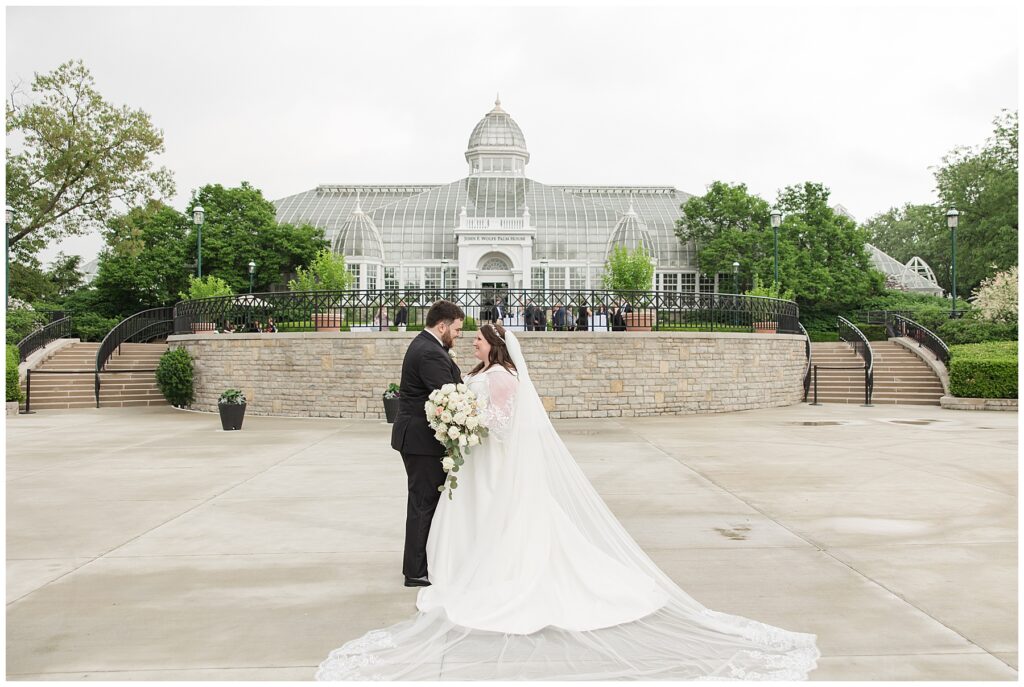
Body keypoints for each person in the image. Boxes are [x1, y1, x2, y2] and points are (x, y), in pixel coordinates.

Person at [316, 324, 820, 681]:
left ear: (495, 347)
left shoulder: (503, 379)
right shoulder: (482, 372)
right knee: (466, 514)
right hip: (480, 462)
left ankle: (481, 571)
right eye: (469, 335)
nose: (471, 341)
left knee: (497, 519)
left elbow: (504, 424)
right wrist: (462, 415)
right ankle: (457, 567)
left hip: (494, 462)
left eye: (478, 339)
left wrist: (468, 419)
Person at [389, 300, 464, 588]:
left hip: (418, 439)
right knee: (423, 503)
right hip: (421, 440)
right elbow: (449, 395)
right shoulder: (430, 353)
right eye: (456, 329)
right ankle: (416, 572)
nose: (458, 334)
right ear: (442, 326)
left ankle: (422, 564)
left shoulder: (428, 346)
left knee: (425, 502)